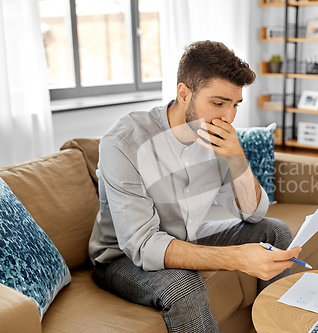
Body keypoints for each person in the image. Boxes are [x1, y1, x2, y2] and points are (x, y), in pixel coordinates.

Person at [88, 40, 301, 332]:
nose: (228, 117)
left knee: (274, 231)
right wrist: (237, 258)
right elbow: (143, 244)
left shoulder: (217, 136)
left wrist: (237, 157)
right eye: (218, 103)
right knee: (183, 287)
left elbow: (253, 214)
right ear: (184, 93)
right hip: (121, 258)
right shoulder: (125, 142)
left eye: (235, 105)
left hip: (187, 235)